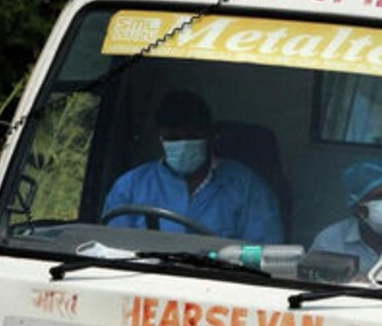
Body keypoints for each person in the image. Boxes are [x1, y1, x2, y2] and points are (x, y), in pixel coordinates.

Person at [103, 90, 283, 243]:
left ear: (210, 134)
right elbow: (111, 249)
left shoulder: (248, 188)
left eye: (190, 135)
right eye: (173, 138)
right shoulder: (130, 186)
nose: (182, 144)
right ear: (161, 138)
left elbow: (266, 253)